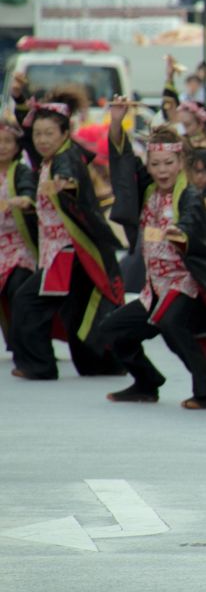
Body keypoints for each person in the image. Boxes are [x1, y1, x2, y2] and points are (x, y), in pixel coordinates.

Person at [101, 108, 206, 408]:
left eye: (169, 163)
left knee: (171, 324)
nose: (162, 170)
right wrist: (117, 125)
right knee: (111, 329)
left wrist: (180, 232)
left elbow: (194, 223)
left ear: (181, 163)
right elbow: (123, 164)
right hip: (153, 288)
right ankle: (146, 381)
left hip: (184, 283)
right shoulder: (148, 190)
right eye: (155, 164)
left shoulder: (189, 195)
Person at [8, 79, 124, 379]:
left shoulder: (65, 158)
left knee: (28, 300)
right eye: (38, 134)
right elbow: (23, 137)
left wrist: (65, 186)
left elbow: (68, 177)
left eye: (49, 134)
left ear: (65, 134)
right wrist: (20, 101)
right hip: (58, 251)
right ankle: (100, 364)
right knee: (77, 310)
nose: (42, 140)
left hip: (70, 251)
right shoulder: (47, 158)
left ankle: (39, 365)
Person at [0, 116, 37, 351]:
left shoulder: (21, 172)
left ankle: (26, 343)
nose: (2, 146)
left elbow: (28, 191)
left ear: (16, 147)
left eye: (7, 141)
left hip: (19, 244)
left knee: (18, 289)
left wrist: (24, 199)